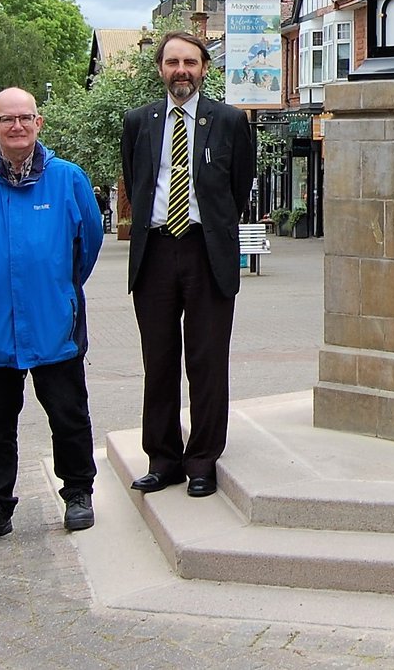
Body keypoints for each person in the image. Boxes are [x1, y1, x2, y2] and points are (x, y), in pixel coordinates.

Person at [0, 87, 104, 549]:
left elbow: (88, 246)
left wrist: (57, 291)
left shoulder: (68, 179)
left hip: (55, 323)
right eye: (6, 119)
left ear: (39, 123)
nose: (17, 126)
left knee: (69, 414)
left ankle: (78, 492)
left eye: (25, 118)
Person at [121, 32, 253, 498]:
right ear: (160, 68)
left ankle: (201, 460)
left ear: (204, 68)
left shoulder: (231, 121)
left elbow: (238, 188)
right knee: (158, 361)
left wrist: (211, 228)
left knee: (207, 360)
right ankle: (163, 459)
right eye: (173, 61)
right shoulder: (138, 122)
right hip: (155, 253)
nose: (182, 70)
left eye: (191, 62)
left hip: (206, 252)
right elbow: (136, 182)